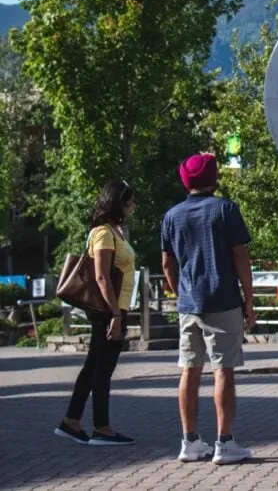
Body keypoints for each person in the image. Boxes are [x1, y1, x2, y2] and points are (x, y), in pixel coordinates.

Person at [161, 153, 255, 465]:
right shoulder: (225, 209)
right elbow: (240, 257)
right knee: (223, 369)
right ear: (213, 179)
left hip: (189, 303)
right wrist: (249, 300)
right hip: (223, 298)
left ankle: (189, 441)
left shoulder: (172, 215)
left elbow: (167, 263)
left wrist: (179, 292)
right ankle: (224, 442)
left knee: (189, 369)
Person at [55, 180, 138, 446]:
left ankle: (72, 421)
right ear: (118, 204)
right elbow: (102, 277)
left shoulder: (116, 231)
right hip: (107, 310)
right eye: (129, 202)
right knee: (101, 369)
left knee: (95, 366)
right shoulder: (103, 233)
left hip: (116, 308)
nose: (133, 206)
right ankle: (100, 428)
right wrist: (115, 314)